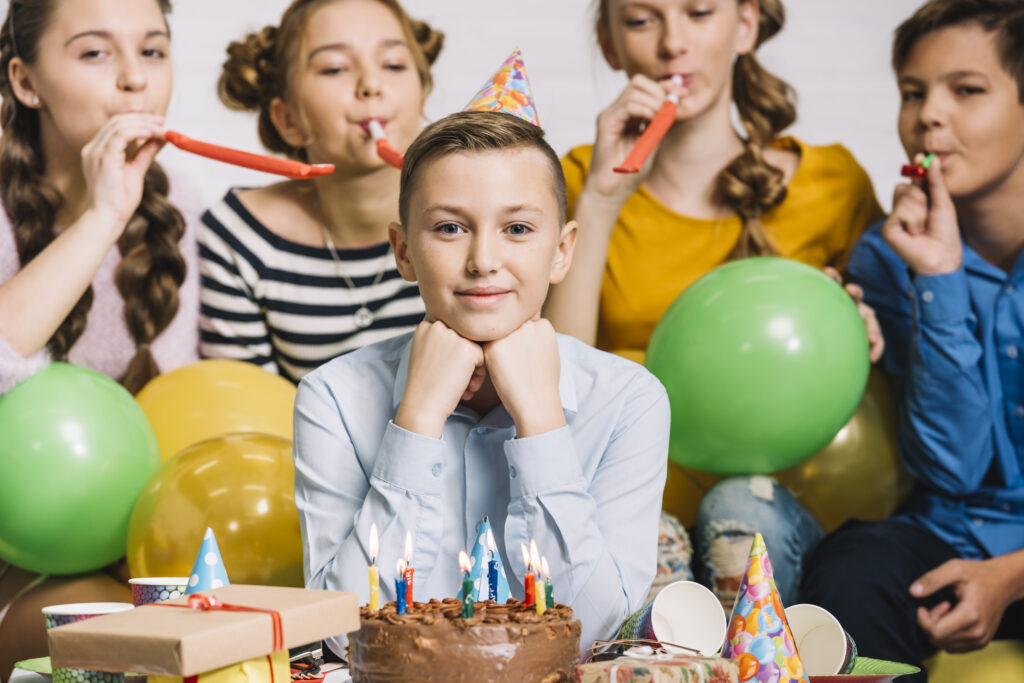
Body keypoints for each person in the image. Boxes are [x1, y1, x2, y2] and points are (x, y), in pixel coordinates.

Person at [543, 0, 885, 608]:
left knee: (740, 515)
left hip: (779, 507)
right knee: (644, 541)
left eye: (699, 12)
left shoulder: (832, 184)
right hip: (629, 504)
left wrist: (865, 325)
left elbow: (892, 367)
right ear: (609, 43)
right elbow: (559, 376)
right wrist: (599, 198)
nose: (674, 43)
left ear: (745, 25)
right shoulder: (571, 181)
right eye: (643, 20)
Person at [293, 110, 670, 656]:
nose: (483, 261)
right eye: (450, 227)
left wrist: (541, 421)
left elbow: (594, 629)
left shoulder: (628, 399)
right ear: (404, 252)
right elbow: (342, 631)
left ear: (562, 250)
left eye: (517, 229)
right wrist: (416, 420)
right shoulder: (334, 397)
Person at [801, 1, 1024, 678]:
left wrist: (1010, 576)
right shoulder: (889, 255)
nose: (929, 114)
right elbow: (951, 464)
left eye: (967, 89)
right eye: (912, 92)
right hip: (948, 534)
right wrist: (937, 276)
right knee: (848, 574)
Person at [0, 0, 198, 672]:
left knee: (275, 644)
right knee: (143, 647)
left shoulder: (184, 211)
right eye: (94, 52)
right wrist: (103, 217)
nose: (134, 80)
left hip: (148, 559)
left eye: (152, 50)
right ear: (26, 81)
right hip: (21, 568)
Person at [199, 0, 441, 383]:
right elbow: (247, 413)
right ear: (289, 120)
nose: (372, 85)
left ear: (421, 97)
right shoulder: (237, 236)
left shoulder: (470, 218)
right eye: (335, 68)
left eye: (394, 64)